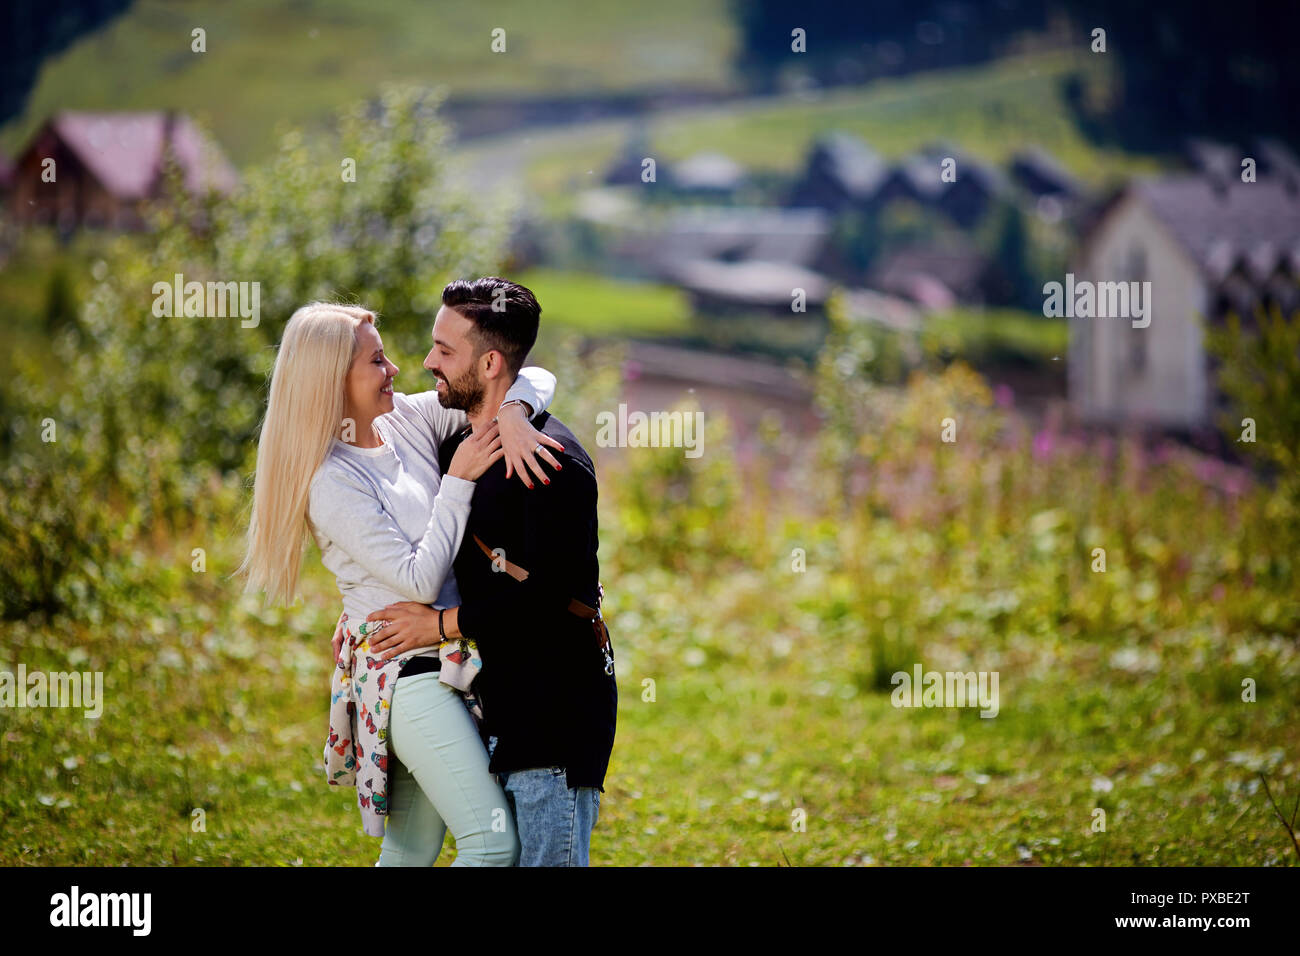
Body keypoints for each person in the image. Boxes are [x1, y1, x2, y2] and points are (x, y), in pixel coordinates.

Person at [240, 301, 563, 866]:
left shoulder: (405, 423)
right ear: (331, 381)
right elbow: (417, 580)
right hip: (404, 676)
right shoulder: (331, 481)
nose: (396, 369)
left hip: (440, 661)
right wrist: (457, 480)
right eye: (376, 361)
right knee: (493, 844)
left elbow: (533, 373)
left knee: (411, 849)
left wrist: (512, 412)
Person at [363, 278, 617, 866]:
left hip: (554, 715)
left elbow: (547, 601)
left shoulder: (550, 463)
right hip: (502, 710)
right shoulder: (460, 443)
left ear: (491, 361)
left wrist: (441, 624)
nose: (427, 362)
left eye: (444, 351)